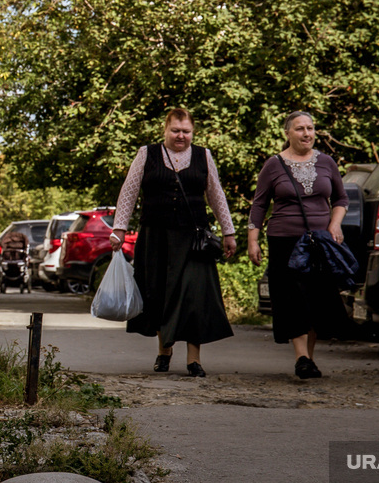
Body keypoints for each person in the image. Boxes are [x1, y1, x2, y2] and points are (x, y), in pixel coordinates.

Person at [110, 108, 237, 377]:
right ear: (165, 130)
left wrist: (229, 232)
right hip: (155, 236)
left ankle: (194, 359)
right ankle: (164, 349)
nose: (181, 136)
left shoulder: (204, 155)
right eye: (176, 130)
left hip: (194, 239)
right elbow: (128, 192)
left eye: (186, 131)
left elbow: (216, 195)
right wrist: (119, 229)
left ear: (193, 132)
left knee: (194, 296)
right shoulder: (147, 153)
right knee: (158, 293)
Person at [247, 111, 351, 379]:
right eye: (300, 129)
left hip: (320, 241)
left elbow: (341, 199)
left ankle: (309, 359)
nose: (307, 133)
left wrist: (335, 224)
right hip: (284, 240)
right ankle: (301, 356)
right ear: (288, 133)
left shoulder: (327, 162)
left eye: (310, 128)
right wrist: (253, 240)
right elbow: (259, 204)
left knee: (316, 297)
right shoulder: (273, 165)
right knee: (292, 297)